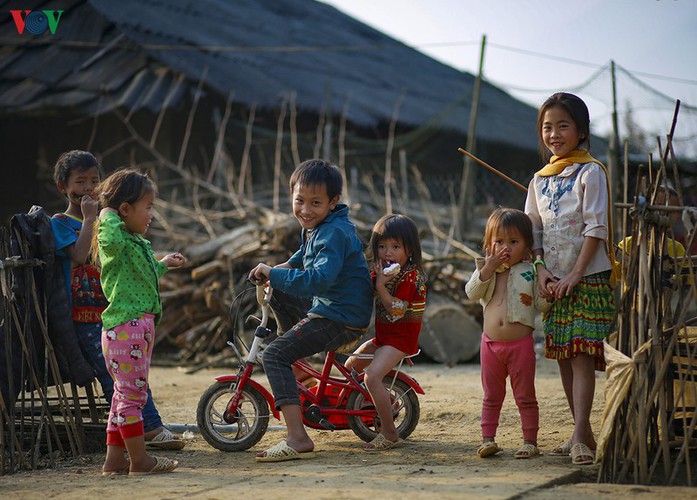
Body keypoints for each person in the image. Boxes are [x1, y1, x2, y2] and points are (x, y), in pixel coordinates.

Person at [50, 151, 185, 458]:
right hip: (93, 316)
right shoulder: (76, 224)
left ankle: (126, 446)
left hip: (117, 311)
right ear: (62, 187)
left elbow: (139, 267)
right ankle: (141, 444)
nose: (87, 188)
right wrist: (96, 217)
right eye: (80, 181)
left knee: (129, 382)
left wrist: (163, 263)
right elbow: (80, 256)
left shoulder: (124, 233)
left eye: (94, 181)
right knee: (125, 385)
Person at [248, 159, 373, 462]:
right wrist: (280, 269)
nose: (305, 209)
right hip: (335, 309)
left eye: (315, 203)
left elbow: (317, 280)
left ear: (333, 202)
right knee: (279, 291)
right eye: (299, 201)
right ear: (291, 196)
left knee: (275, 355)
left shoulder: (332, 234)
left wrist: (275, 274)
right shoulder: (320, 226)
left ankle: (297, 438)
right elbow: (303, 254)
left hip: (339, 317)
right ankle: (300, 374)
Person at [524, 92, 618, 466]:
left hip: (587, 278)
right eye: (547, 127)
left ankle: (580, 433)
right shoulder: (539, 179)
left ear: (581, 131)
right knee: (563, 356)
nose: (554, 133)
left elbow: (596, 227)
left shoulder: (591, 171)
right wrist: (541, 268)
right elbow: (533, 227)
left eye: (563, 125)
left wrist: (576, 274)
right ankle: (583, 431)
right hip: (552, 280)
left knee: (580, 355)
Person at [94, 168, 185, 475]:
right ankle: (140, 460)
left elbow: (140, 279)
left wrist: (162, 265)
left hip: (133, 329)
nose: (150, 214)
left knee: (124, 396)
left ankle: (114, 459)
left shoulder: (133, 243)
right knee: (133, 397)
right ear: (124, 210)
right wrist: (105, 211)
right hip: (127, 329)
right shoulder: (115, 240)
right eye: (147, 207)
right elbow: (109, 236)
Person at [465, 208, 552, 459]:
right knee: (491, 395)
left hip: (520, 345)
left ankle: (530, 441)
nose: (506, 248)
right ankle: (488, 439)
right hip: (490, 345)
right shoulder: (486, 270)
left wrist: (549, 293)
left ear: (526, 246)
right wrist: (487, 269)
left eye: (514, 242)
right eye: (499, 241)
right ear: (489, 244)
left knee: (525, 395)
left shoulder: (530, 271)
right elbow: (472, 292)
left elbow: (542, 304)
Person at [345, 214, 427, 451]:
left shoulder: (412, 276)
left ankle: (390, 433)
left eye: (395, 246)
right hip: (384, 338)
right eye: (382, 246)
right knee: (349, 368)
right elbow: (364, 291)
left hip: (400, 340)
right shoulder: (382, 271)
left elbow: (398, 309)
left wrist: (380, 285)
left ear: (409, 250)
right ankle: (355, 411)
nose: (387, 252)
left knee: (371, 376)